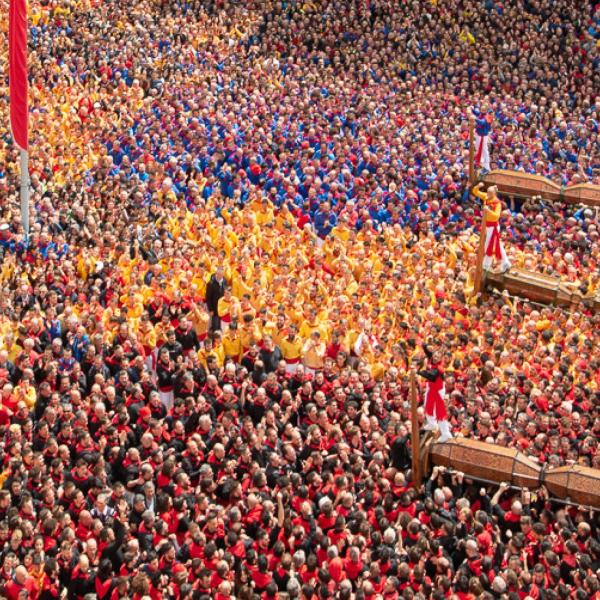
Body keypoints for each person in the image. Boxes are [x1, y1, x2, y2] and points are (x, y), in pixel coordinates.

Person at [472, 182, 512, 273]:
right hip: (487, 225)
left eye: (490, 193)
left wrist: (488, 210)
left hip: (493, 226)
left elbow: (496, 216)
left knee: (488, 245)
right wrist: (478, 186)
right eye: (488, 192)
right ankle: (505, 263)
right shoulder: (486, 197)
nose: (488, 194)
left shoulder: (497, 203)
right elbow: (475, 192)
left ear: (494, 194)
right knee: (497, 245)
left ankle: (486, 264)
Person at [416, 345, 452, 442]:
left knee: (438, 412)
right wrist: (424, 345)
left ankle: (446, 433)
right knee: (427, 406)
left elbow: (430, 376)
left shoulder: (439, 368)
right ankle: (432, 423)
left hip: (438, 390)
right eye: (434, 356)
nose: (435, 358)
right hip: (431, 388)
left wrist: (418, 372)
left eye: (437, 357)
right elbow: (429, 354)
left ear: (441, 359)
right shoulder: (433, 359)